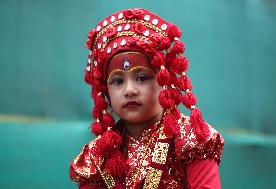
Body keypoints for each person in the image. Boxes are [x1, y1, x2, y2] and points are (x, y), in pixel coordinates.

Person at [70, 8, 224, 189]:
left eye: (142, 78)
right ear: (106, 92)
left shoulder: (190, 138)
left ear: (164, 79)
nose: (129, 90)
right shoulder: (98, 157)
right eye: (118, 81)